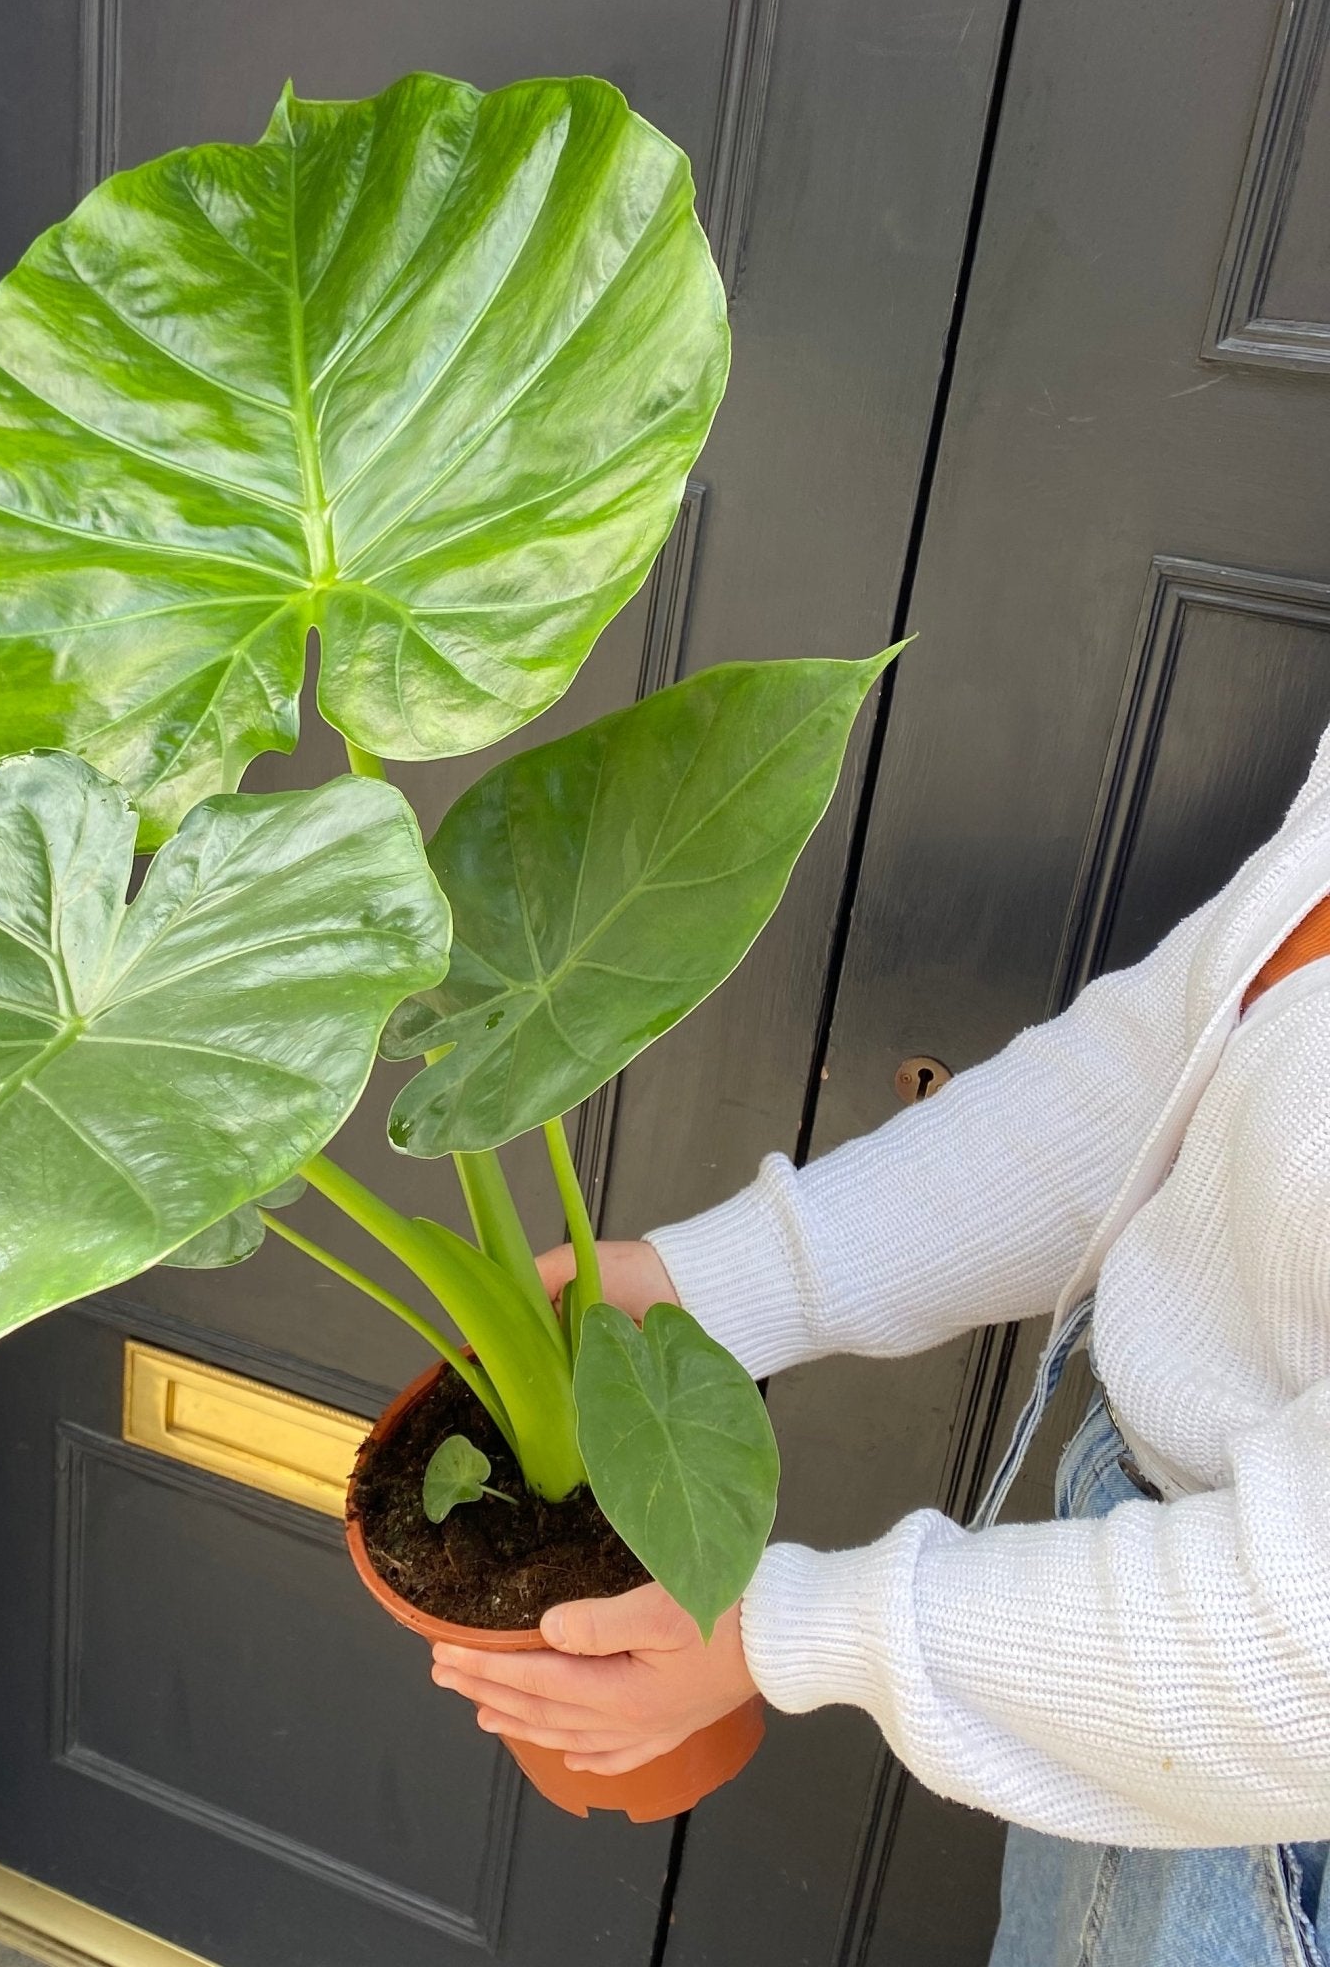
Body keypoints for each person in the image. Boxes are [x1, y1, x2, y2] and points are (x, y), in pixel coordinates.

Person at [430, 724, 1330, 1965]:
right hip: (1121, 1654)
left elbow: (1306, 1644)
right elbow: (1191, 1046)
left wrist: (782, 1629)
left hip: (1263, 1781)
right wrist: (708, 1284)